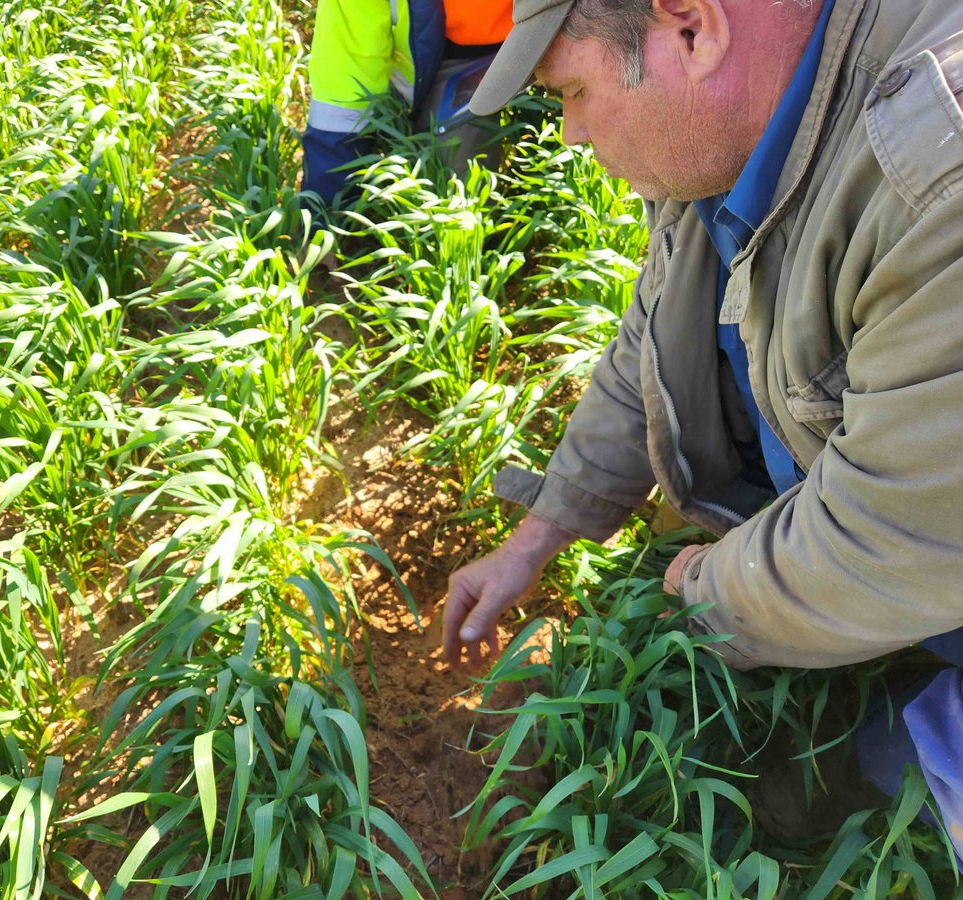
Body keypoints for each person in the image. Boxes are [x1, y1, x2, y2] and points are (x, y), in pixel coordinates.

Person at [440, 0, 963, 853]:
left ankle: (881, 762)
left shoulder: (939, 176)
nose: (568, 132)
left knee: (898, 790)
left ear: (692, 29)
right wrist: (539, 536)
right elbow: (655, 331)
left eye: (570, 91)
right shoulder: (727, 130)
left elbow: (889, 542)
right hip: (911, 532)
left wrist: (710, 590)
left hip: (928, 556)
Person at [301, 0, 515, 213]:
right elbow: (346, 84)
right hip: (459, 54)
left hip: (538, 24)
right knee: (455, 194)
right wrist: (324, 211)